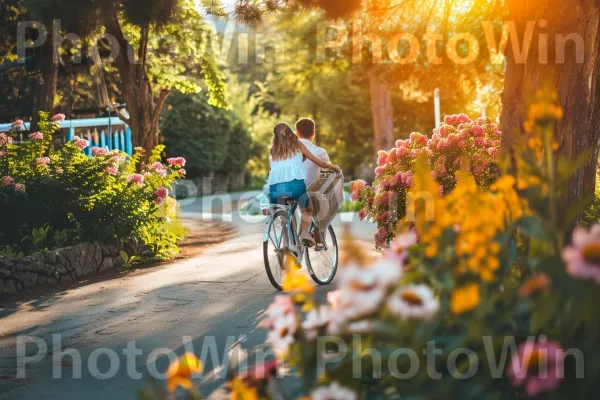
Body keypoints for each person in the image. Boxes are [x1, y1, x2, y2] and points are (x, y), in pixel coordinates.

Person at [268, 122, 341, 247]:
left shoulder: (273, 150)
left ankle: (286, 247)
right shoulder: (298, 145)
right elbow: (320, 163)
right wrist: (333, 167)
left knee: (284, 214)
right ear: (291, 133)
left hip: (275, 189)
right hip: (295, 187)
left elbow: (274, 170)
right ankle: (304, 234)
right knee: (308, 209)